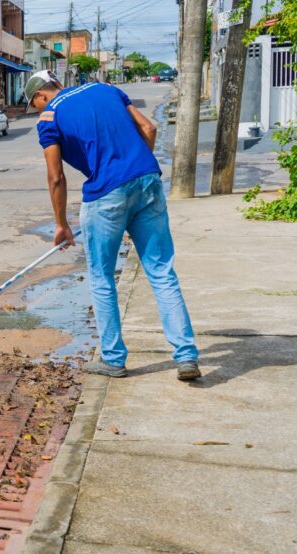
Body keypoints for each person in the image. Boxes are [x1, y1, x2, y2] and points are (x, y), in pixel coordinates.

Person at [25, 70, 201, 381]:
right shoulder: (105, 89)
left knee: (101, 278)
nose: (38, 109)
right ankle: (186, 356)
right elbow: (149, 127)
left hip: (105, 195)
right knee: (161, 272)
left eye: (35, 104)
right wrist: (133, 172)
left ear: (41, 96)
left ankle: (113, 359)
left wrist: (61, 224)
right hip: (147, 180)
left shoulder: (49, 118)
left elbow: (56, 177)